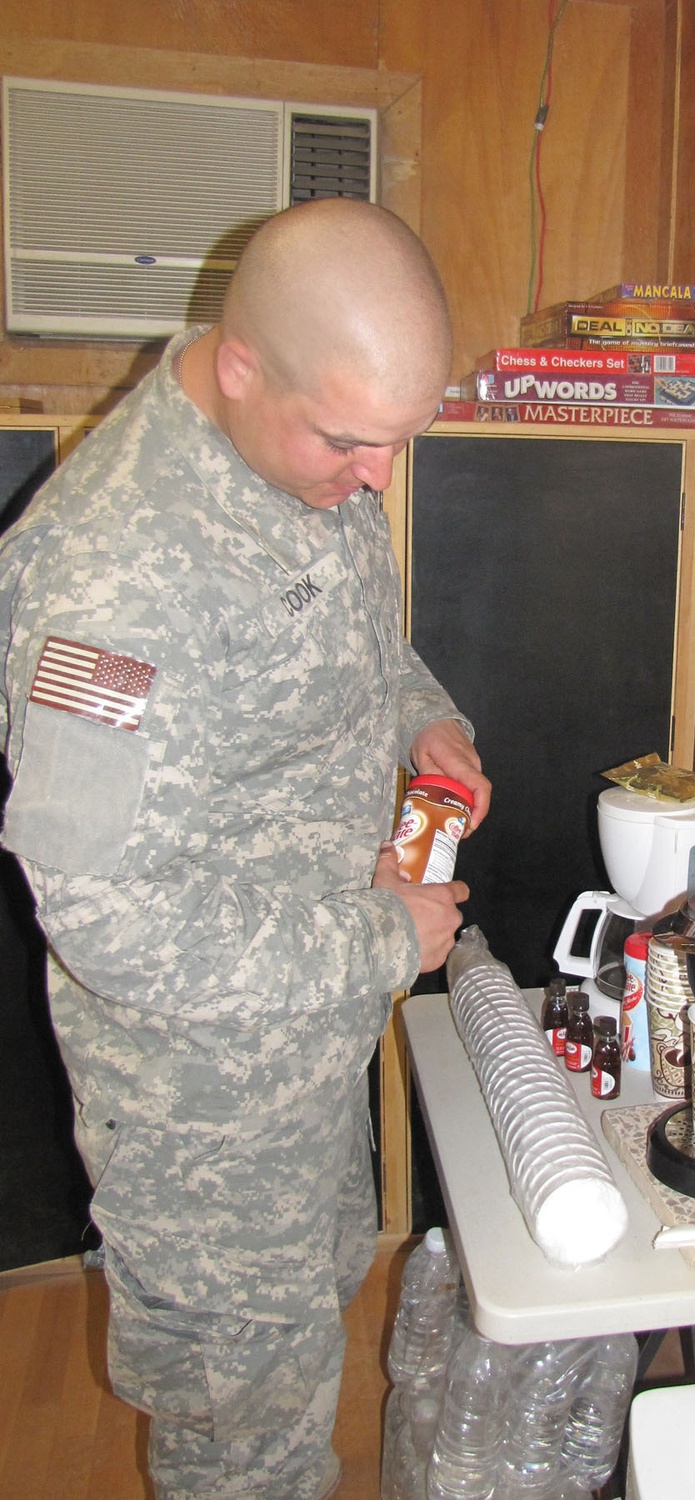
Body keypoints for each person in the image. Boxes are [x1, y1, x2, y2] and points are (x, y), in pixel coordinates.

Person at [0, 199, 491, 1500]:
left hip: (308, 1040)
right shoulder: (103, 592)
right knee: (242, 1441)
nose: (377, 478)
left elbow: (361, 644)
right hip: (203, 1107)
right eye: (353, 442)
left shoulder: (302, 447)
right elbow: (105, 914)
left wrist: (425, 719)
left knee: (306, 1329)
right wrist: (384, 937)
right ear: (239, 370)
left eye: (399, 441)